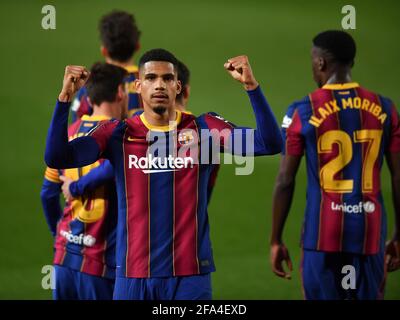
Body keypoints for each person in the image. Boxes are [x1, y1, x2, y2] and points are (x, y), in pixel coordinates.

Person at [45, 48, 283, 300]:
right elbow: (58, 157)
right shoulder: (117, 134)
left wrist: (251, 86)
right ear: (138, 86)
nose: (159, 85)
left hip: (190, 277)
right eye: (150, 78)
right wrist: (63, 100)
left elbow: (270, 143)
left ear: (178, 86)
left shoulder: (204, 129)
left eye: (167, 78)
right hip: (132, 276)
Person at [270, 30, 400, 300]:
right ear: (351, 62)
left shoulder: (302, 110)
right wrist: (399, 234)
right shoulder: (385, 108)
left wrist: (276, 239)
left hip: (322, 233)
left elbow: (285, 180)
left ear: (320, 63)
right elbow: (398, 175)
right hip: (369, 230)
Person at [40, 63, 128, 299]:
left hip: (64, 258)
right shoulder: (121, 135)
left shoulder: (69, 133)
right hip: (101, 263)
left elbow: (48, 195)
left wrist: (59, 236)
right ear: (121, 92)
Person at [71, 10, 141, 121]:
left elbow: (78, 125)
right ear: (137, 46)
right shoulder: (151, 81)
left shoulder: (91, 84)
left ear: (104, 50)